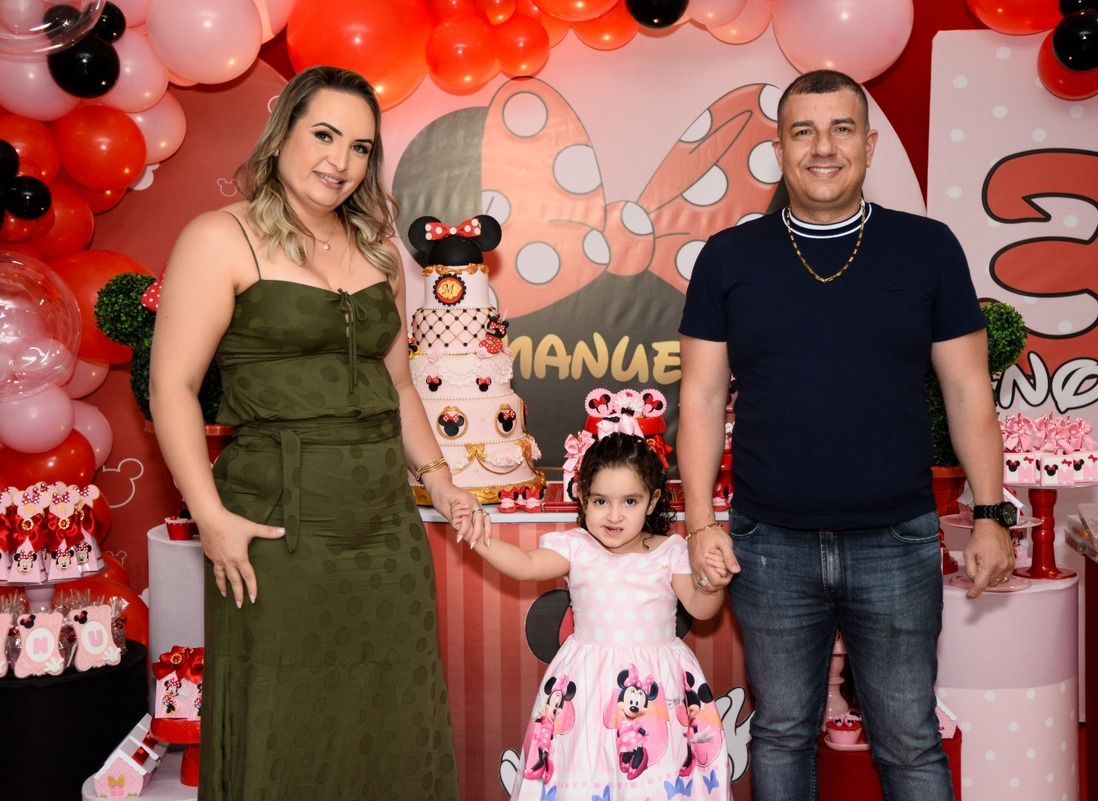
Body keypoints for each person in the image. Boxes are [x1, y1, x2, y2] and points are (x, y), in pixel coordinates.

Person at [149, 66, 488, 800]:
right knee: (287, 716)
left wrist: (439, 481)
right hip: (278, 523)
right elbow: (171, 386)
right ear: (282, 136)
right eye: (325, 135)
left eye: (360, 147)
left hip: (384, 525)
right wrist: (210, 517)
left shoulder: (378, 251)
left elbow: (399, 385)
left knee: (392, 706)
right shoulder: (220, 237)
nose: (341, 162)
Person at [676, 69, 1014, 801]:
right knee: (780, 733)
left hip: (896, 539)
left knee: (910, 739)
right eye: (803, 131)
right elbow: (699, 397)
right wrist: (701, 522)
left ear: (869, 143)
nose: (822, 147)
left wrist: (990, 513)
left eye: (840, 129)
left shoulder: (928, 248)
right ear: (779, 149)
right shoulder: (728, 258)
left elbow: (968, 391)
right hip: (768, 544)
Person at [462, 431, 732, 800]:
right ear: (582, 497)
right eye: (601, 501)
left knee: (657, 779)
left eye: (630, 501)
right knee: (584, 768)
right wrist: (477, 536)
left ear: (652, 501)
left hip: (656, 691)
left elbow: (701, 608)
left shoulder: (670, 551)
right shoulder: (576, 547)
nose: (614, 515)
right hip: (586, 687)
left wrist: (711, 585)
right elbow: (524, 565)